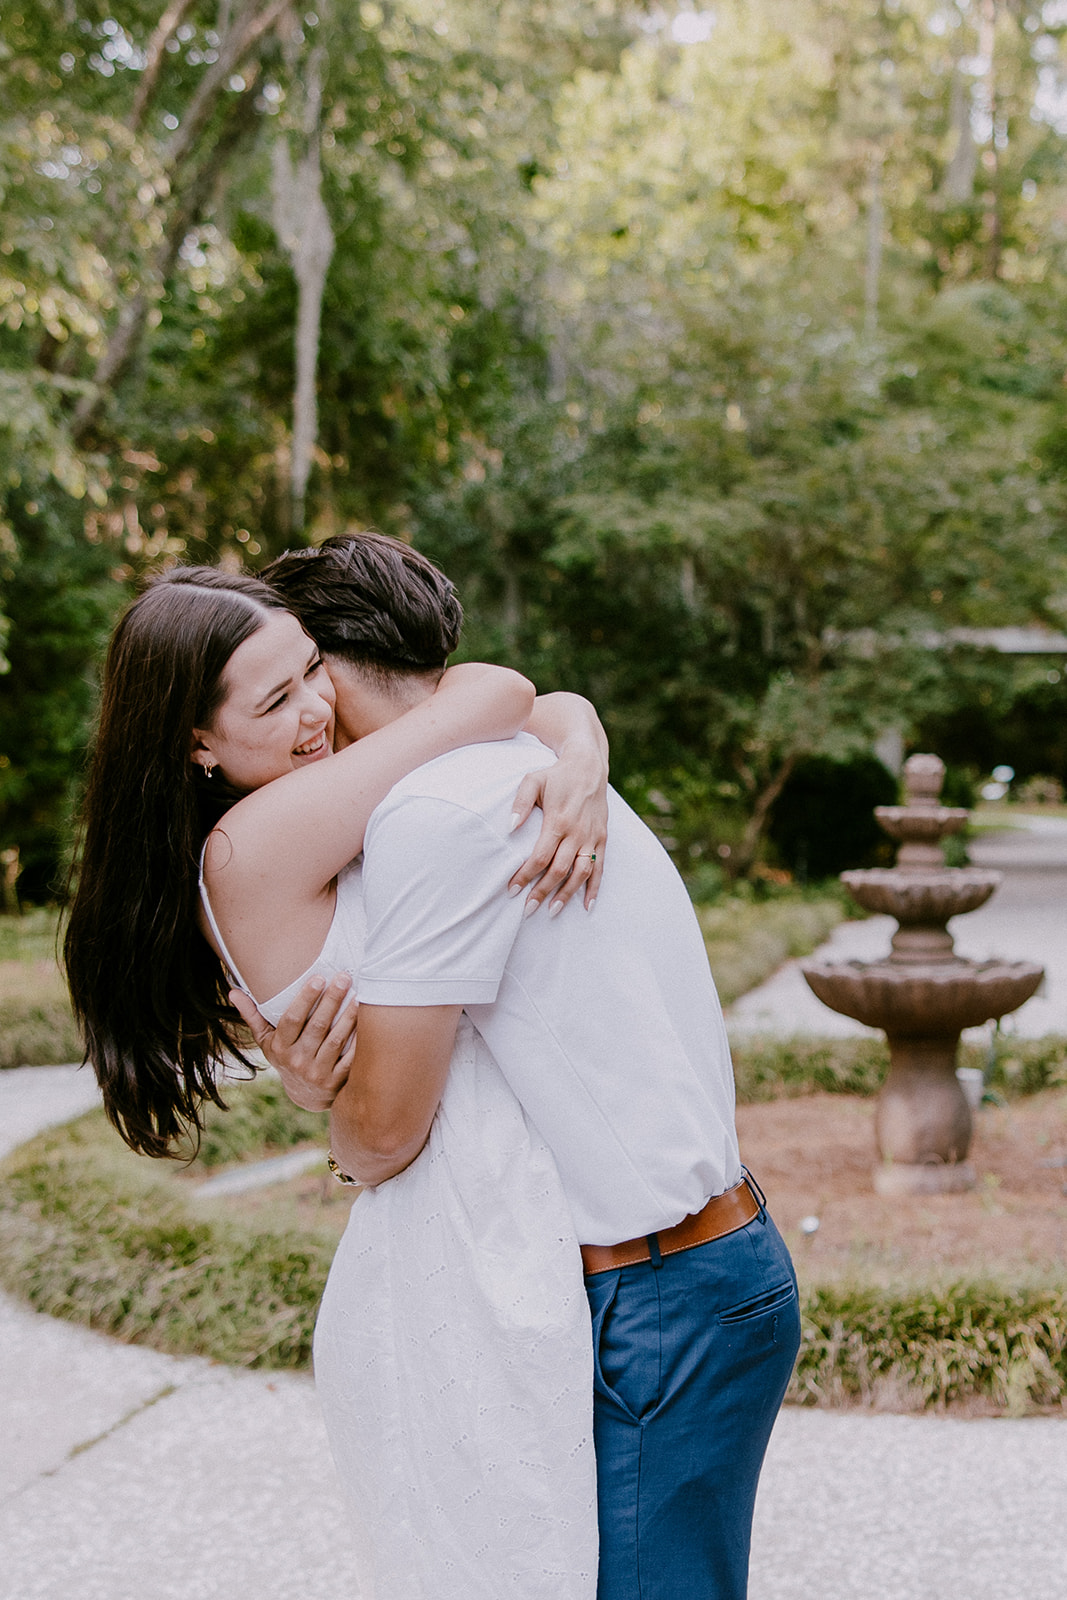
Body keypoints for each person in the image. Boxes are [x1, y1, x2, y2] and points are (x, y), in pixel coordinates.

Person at [236, 533, 802, 1600]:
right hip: (698, 1265)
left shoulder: (428, 814)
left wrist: (332, 1109)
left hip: (660, 1296)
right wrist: (575, 727)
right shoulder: (521, 766)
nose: (297, 711)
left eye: (295, 673)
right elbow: (529, 702)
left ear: (327, 662)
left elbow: (388, 1130)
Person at [63, 560, 616, 1598]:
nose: (318, 709)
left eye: (314, 668)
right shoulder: (259, 839)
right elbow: (495, 695)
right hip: (452, 1254)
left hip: (476, 1231)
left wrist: (579, 743)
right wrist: (568, 739)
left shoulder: (307, 806)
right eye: (275, 700)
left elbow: (532, 708)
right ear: (195, 743)